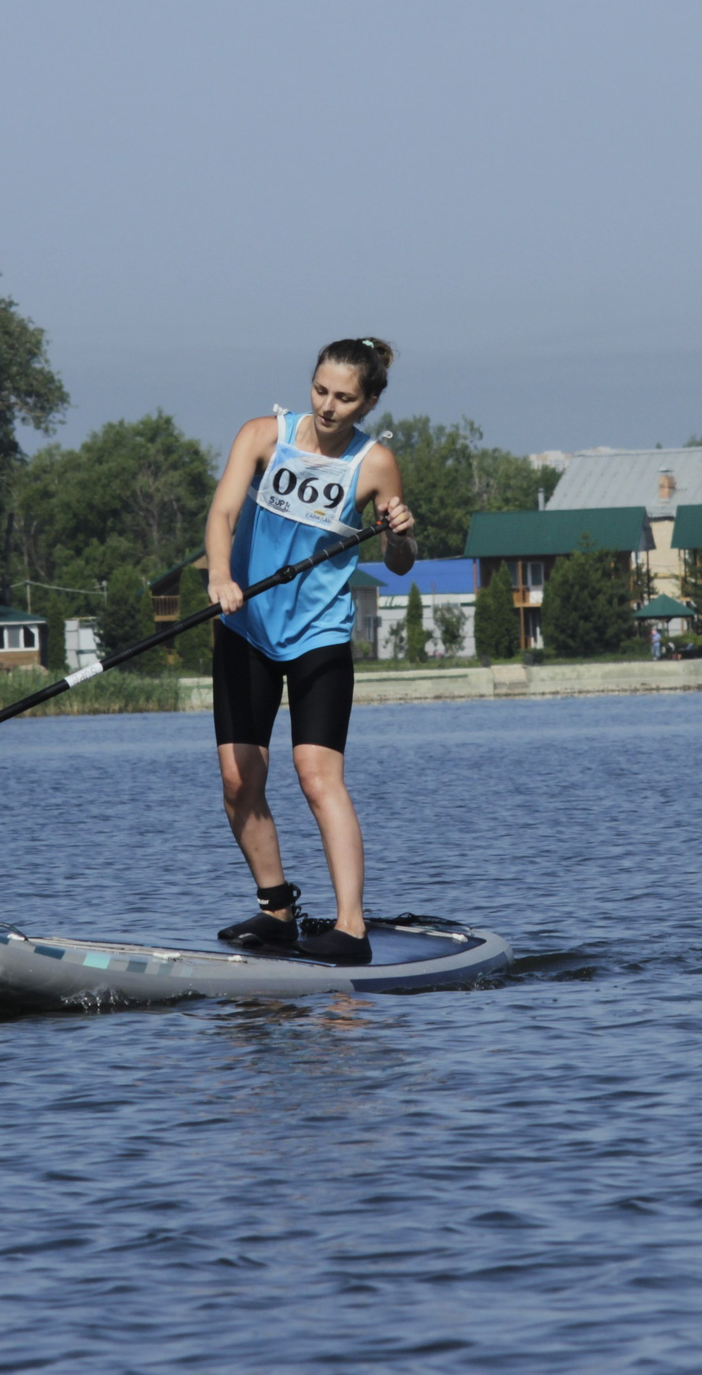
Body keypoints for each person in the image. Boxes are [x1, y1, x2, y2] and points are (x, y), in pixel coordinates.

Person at [203, 336, 417, 966]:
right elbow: (222, 514)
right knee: (238, 779)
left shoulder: (375, 464)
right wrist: (221, 576)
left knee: (318, 777)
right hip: (246, 626)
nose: (327, 406)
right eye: (321, 390)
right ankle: (277, 911)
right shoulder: (261, 436)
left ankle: (351, 929)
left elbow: (400, 564)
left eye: (344, 398)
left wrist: (400, 537)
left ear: (368, 403)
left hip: (319, 635)